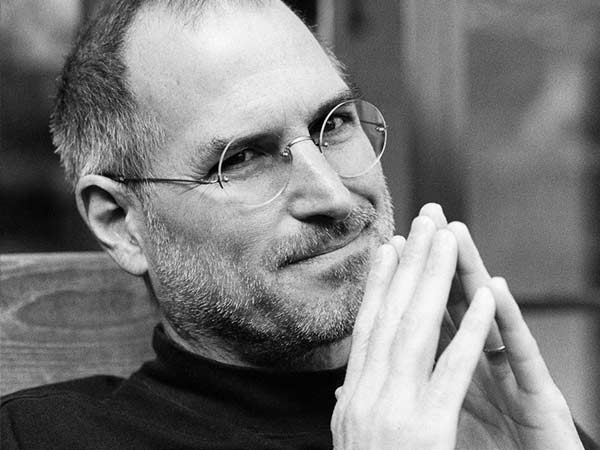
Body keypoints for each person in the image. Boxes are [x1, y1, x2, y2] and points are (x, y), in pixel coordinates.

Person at [1, 1, 597, 449]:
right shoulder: (40, 437)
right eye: (242, 158)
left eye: (333, 124)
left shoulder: (500, 423)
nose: (333, 194)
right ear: (121, 223)